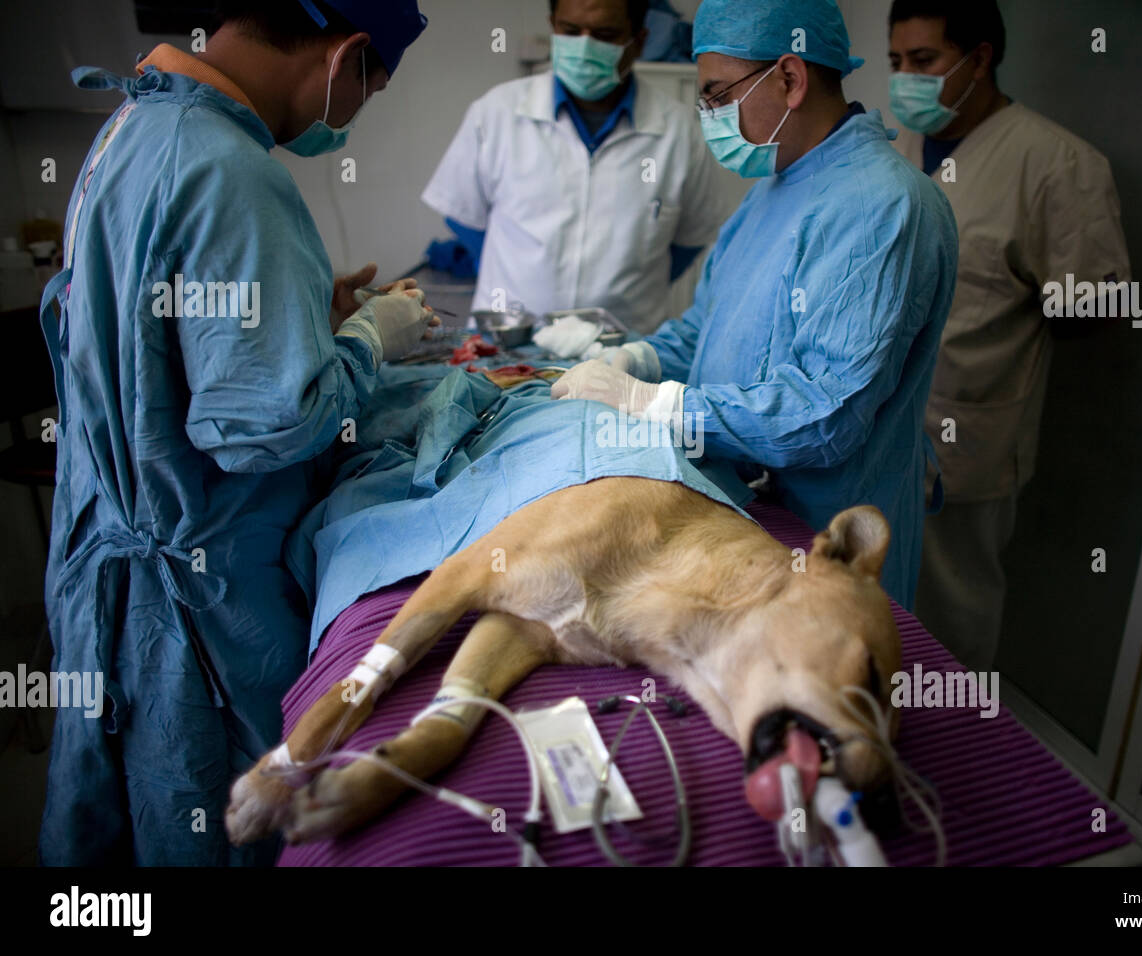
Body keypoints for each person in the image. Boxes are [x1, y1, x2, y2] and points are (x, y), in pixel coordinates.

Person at [39, 0, 430, 865]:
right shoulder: (232, 169)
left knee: (115, 854)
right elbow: (267, 428)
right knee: (208, 830)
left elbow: (157, 350)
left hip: (109, 555)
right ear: (348, 57)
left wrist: (301, 325)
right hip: (198, 598)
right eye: (372, 89)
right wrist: (373, 339)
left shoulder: (135, 125)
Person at [552, 0, 959, 611]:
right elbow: (704, 330)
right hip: (746, 524)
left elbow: (828, 415)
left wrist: (656, 404)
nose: (708, 113)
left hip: (831, 548)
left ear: (790, 79)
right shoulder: (772, 193)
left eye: (717, 94)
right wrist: (635, 359)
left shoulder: (885, 206)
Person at [887, 0, 1131, 669]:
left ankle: (967, 762)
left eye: (925, 61)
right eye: (896, 62)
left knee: (948, 620)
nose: (905, 77)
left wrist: (1004, 312)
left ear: (980, 59)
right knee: (873, 612)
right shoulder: (894, 147)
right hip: (876, 427)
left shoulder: (1056, 164)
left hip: (967, 436)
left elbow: (1098, 307)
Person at [420, 0, 733, 334]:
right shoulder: (497, 112)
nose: (584, 46)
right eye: (570, 31)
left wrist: (624, 289)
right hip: (510, 341)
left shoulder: (678, 131)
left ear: (639, 40)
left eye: (605, 34)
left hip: (621, 346)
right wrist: (520, 277)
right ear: (553, 25)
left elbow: (691, 239)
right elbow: (462, 213)